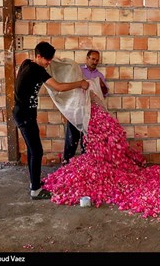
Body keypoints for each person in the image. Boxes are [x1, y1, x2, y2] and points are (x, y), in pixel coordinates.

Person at [12, 41, 89, 200]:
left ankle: (34, 183)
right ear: (38, 56)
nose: (49, 63)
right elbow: (59, 87)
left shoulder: (27, 63)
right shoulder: (37, 70)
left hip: (22, 113)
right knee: (37, 151)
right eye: (47, 60)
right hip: (25, 115)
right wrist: (79, 83)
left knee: (32, 149)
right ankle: (36, 190)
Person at [62, 49, 109, 165]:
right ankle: (67, 162)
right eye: (93, 59)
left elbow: (104, 94)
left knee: (87, 139)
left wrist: (101, 85)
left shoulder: (99, 75)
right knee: (71, 137)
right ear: (87, 59)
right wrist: (65, 111)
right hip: (76, 109)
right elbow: (69, 90)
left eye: (97, 60)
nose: (95, 62)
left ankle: (86, 165)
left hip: (91, 111)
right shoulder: (78, 71)